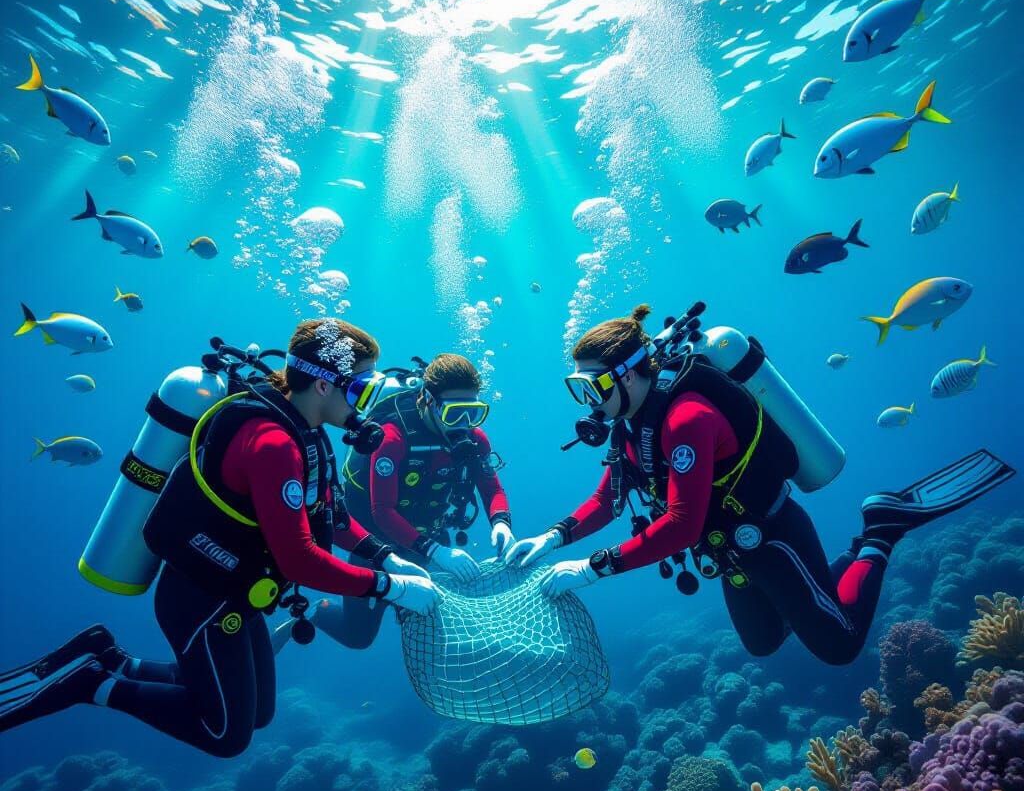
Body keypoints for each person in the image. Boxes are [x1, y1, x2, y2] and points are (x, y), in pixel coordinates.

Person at [0, 319, 440, 753]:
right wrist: (390, 587)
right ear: (324, 386)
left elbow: (330, 517)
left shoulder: (306, 434)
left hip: (237, 591)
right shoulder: (274, 443)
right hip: (202, 600)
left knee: (258, 713)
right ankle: (91, 683)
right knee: (225, 735)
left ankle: (112, 659)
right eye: (361, 388)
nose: (365, 405)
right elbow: (299, 561)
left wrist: (384, 556)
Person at [505, 305, 1015, 666]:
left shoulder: (686, 418)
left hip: (769, 537)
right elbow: (606, 500)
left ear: (630, 375)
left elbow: (681, 525)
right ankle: (824, 584)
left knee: (838, 646)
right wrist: (553, 538)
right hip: (730, 552)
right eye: (578, 390)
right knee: (764, 642)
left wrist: (594, 568)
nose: (588, 403)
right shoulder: (630, 426)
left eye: (592, 387)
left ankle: (879, 531)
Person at [273, 352, 514, 651]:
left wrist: (501, 524)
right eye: (454, 413)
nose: (463, 424)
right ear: (428, 400)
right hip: (377, 545)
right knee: (358, 637)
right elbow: (382, 512)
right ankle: (319, 611)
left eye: (473, 413)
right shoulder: (392, 437)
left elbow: (492, 488)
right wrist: (438, 552)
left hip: (428, 538)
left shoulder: (475, 440)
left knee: (433, 627)